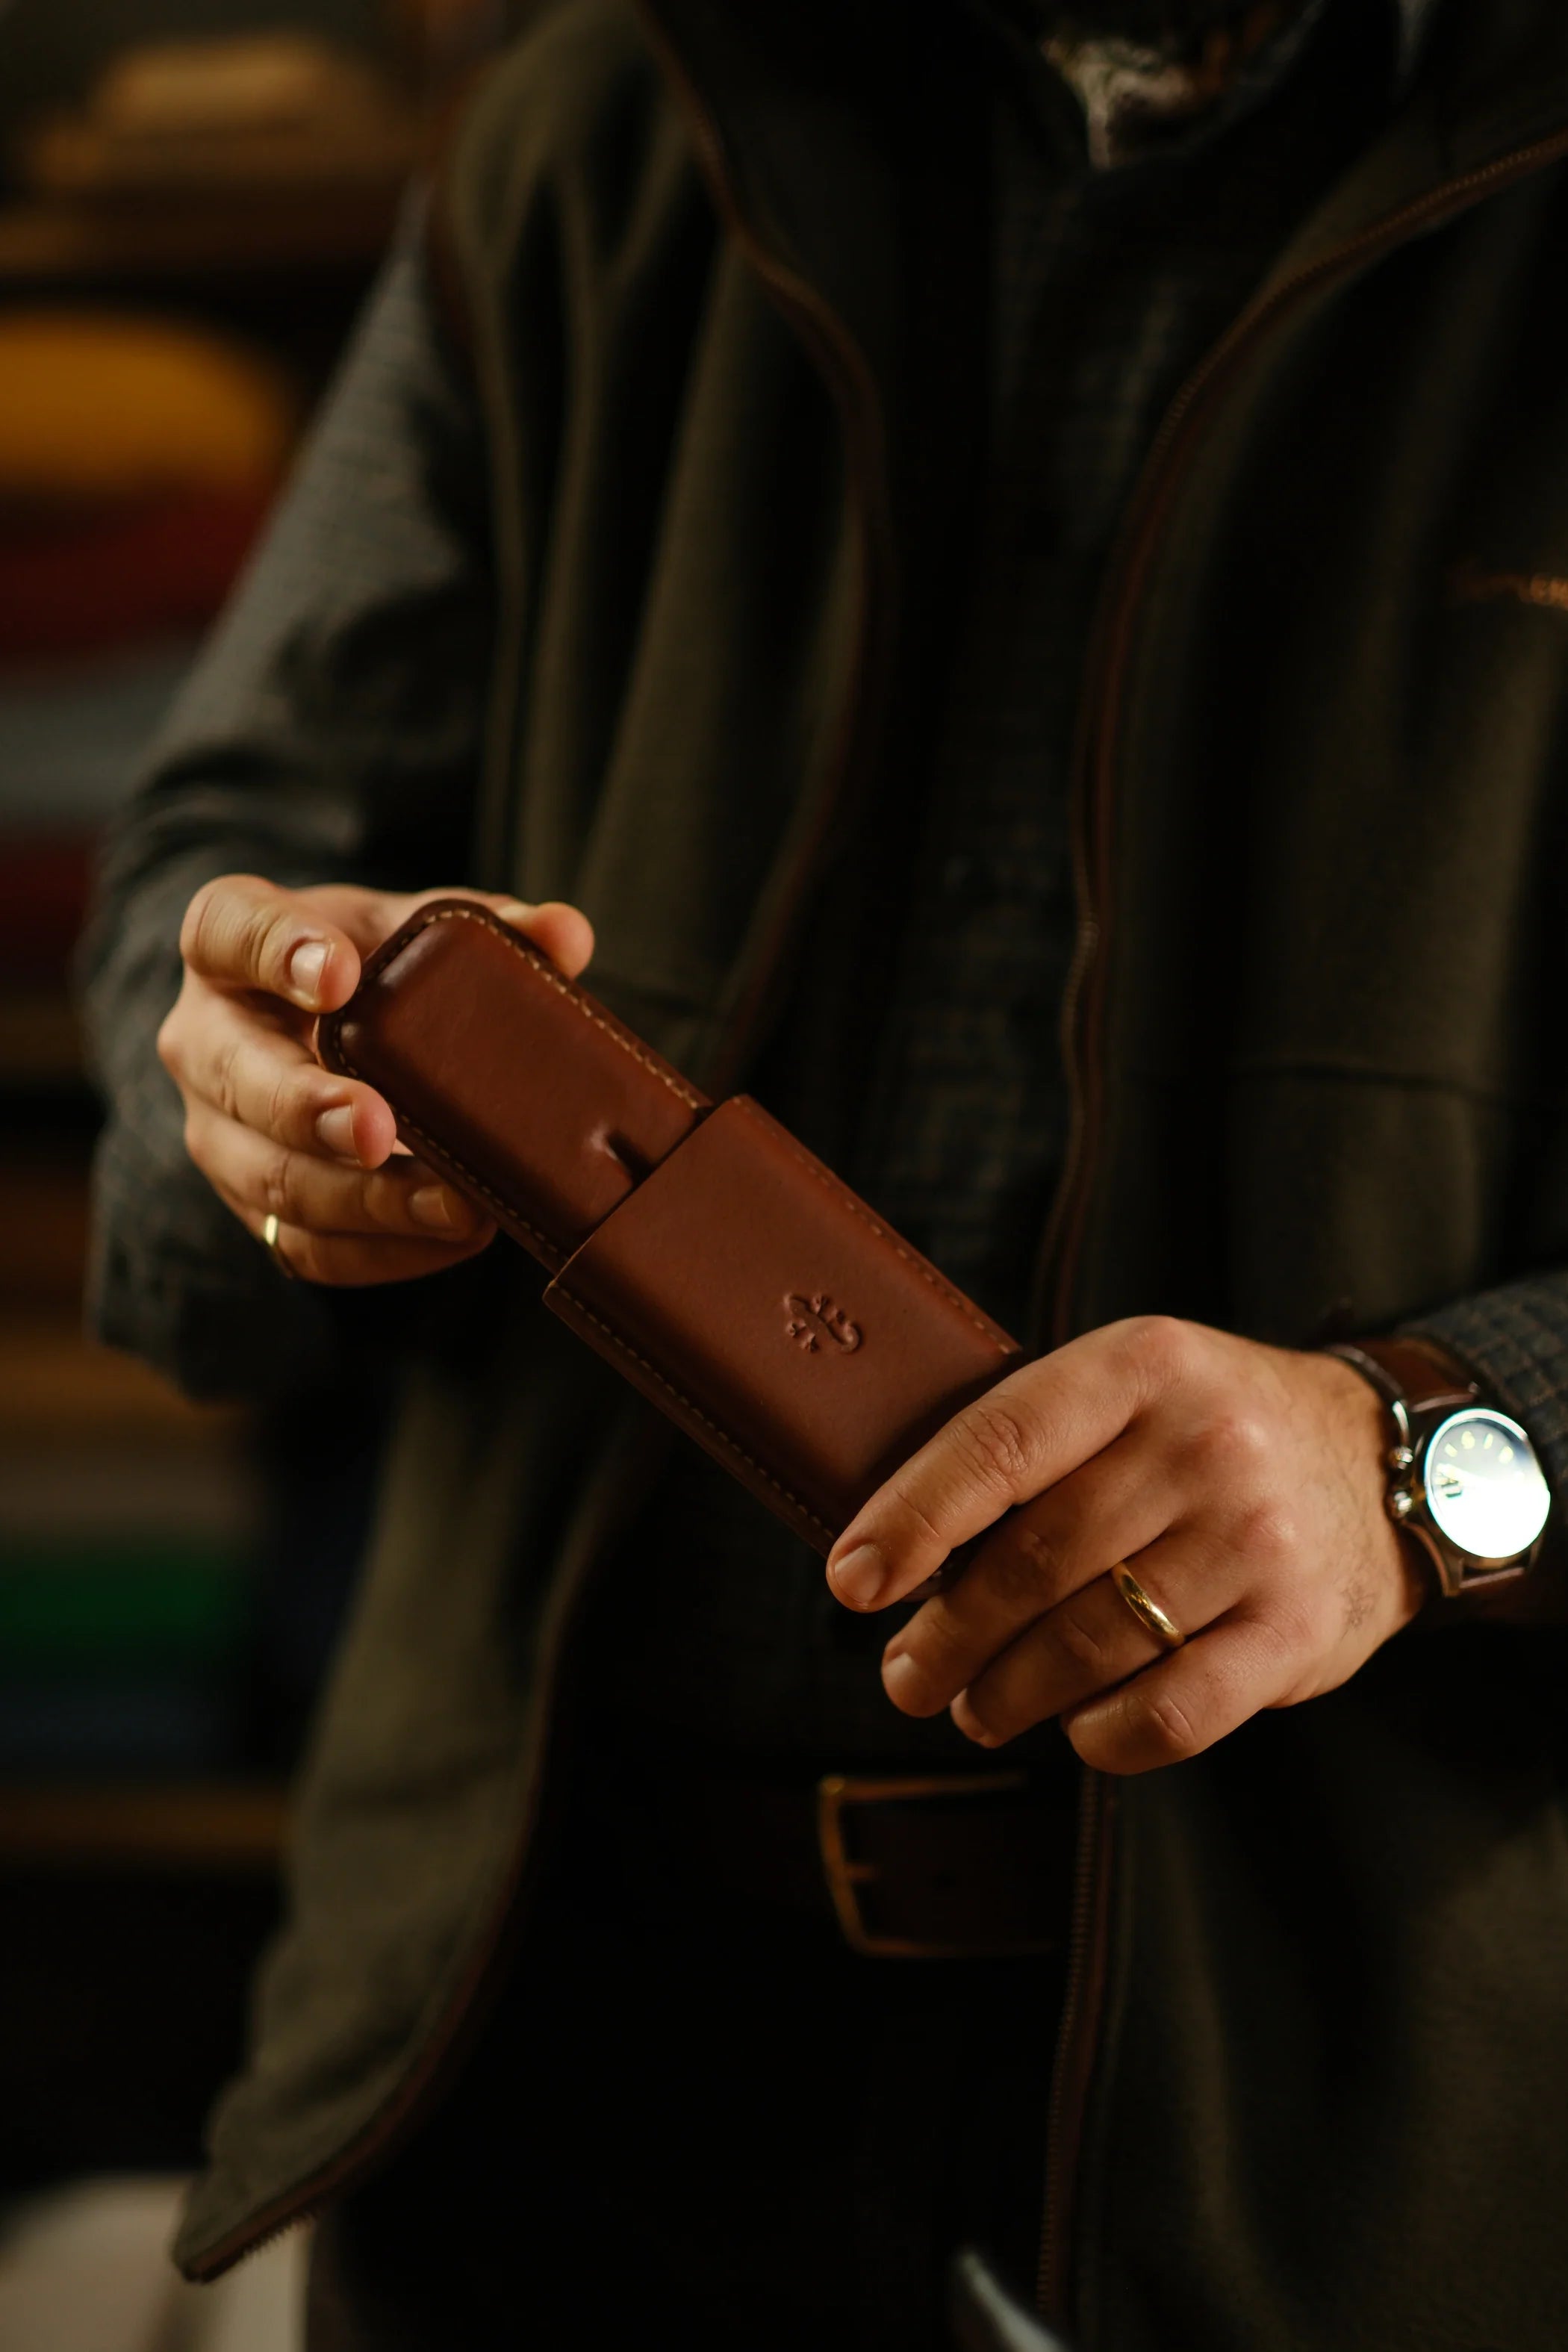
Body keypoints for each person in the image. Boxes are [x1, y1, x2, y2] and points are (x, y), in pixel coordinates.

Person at [82, 0, 1568, 2345]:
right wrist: (236, 1068)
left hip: (1336, 2139)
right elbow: (223, 848)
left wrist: (1425, 1456)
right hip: (524, 2044)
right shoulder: (603, 117)